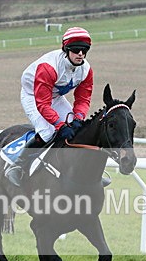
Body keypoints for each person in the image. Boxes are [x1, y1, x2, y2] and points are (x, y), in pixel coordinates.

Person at [5, 26, 94, 187]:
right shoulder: (49, 67)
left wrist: (79, 118)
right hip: (33, 96)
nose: (80, 54)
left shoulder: (86, 70)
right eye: (75, 50)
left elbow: (83, 98)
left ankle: (83, 171)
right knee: (48, 132)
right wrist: (60, 125)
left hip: (55, 97)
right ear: (66, 50)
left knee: (79, 130)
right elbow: (43, 104)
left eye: (84, 50)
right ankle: (18, 166)